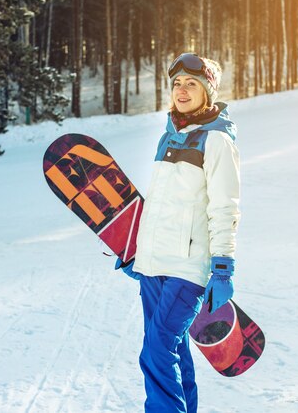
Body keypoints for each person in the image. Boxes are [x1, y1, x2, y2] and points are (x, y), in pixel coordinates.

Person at [115, 52, 240, 413]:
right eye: (177, 84)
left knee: (156, 349)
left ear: (207, 91)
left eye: (192, 83)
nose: (182, 90)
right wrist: (139, 252)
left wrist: (222, 267)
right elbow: (157, 206)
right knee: (173, 349)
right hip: (154, 265)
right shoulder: (168, 139)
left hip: (188, 268)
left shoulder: (216, 141)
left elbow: (225, 208)